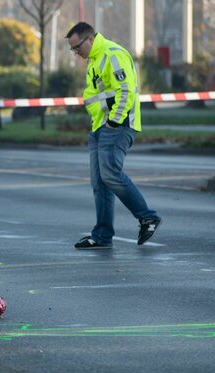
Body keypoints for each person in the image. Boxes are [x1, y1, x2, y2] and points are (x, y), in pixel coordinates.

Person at [66, 22, 162, 249]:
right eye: (72, 49)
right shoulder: (94, 61)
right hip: (100, 128)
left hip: (117, 126)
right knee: (100, 182)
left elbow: (126, 91)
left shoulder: (112, 54)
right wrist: (98, 124)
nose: (75, 52)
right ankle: (102, 235)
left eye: (76, 46)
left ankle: (148, 217)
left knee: (110, 175)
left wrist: (113, 121)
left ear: (89, 39)